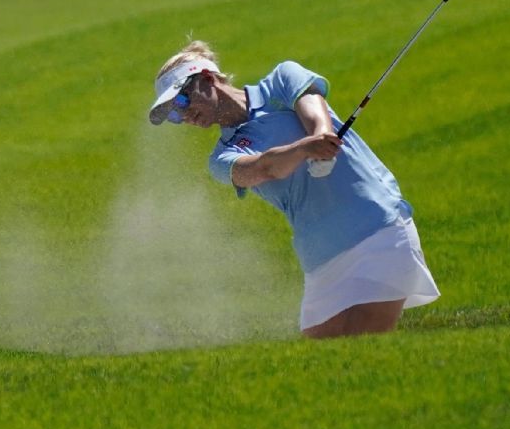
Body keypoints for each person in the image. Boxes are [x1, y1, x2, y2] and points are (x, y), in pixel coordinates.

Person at [148, 40, 439, 339]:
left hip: (378, 231)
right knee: (326, 369)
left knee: (363, 349)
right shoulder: (222, 157)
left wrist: (320, 139)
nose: (183, 116)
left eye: (182, 102)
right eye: (174, 114)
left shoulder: (282, 80)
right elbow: (263, 168)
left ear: (207, 79)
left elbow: (317, 118)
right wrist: (303, 149)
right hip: (321, 261)